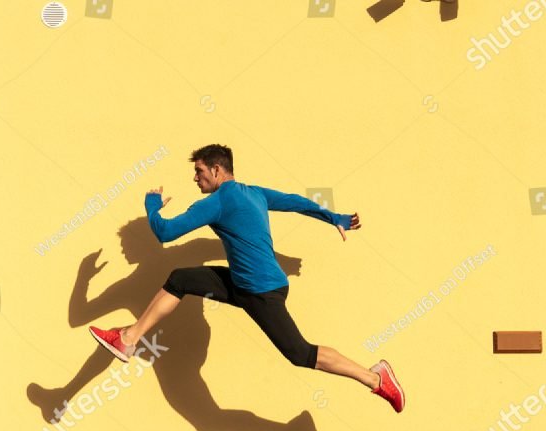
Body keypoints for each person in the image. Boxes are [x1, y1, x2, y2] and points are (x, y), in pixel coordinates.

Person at [89, 144, 405, 412]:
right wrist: (334, 217)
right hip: (247, 283)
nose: (195, 178)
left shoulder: (217, 202)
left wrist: (152, 206)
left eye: (199, 171)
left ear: (216, 170)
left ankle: (377, 379)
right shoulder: (254, 193)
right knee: (181, 278)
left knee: (300, 353)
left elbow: (165, 232)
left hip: (260, 291)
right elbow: (296, 201)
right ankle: (128, 339)